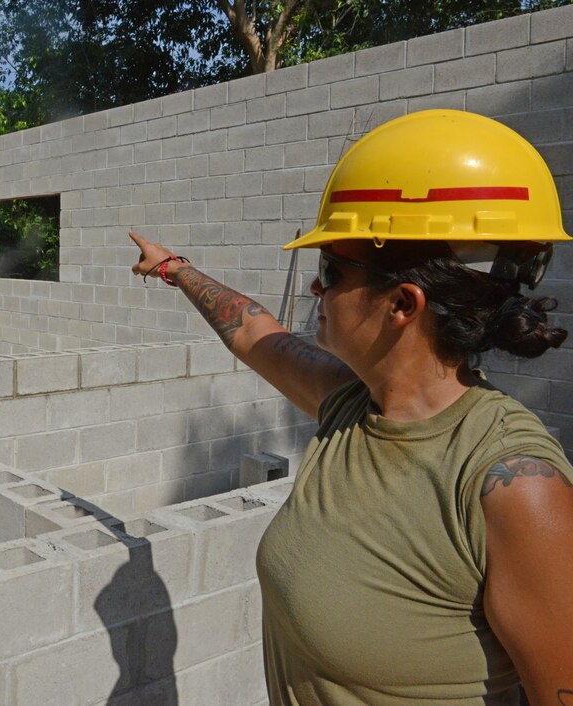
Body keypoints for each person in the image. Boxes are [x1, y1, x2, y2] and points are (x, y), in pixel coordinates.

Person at [129, 110, 573, 704]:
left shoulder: (512, 483)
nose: (315, 289)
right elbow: (255, 331)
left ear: (402, 303)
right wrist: (174, 270)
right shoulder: (352, 406)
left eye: (331, 270)